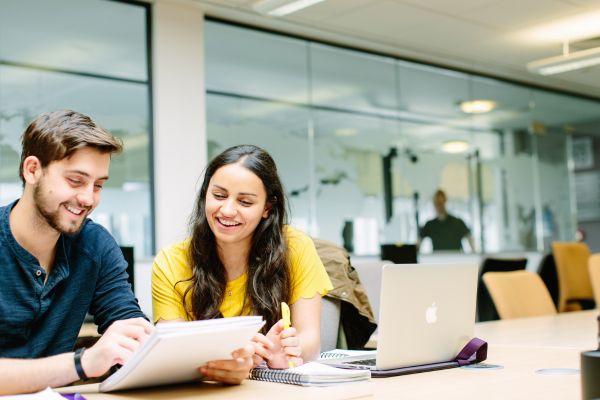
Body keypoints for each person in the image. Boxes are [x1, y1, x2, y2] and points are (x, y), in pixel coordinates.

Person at [0, 111, 253, 395]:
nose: (88, 199)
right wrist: (81, 364)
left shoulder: (94, 245)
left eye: (98, 185)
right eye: (75, 181)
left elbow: (133, 332)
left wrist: (215, 363)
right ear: (32, 170)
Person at [152, 144, 333, 369]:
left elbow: (310, 342)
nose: (227, 210)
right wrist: (230, 358)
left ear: (267, 207)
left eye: (245, 202)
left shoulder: (295, 246)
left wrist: (284, 352)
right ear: (204, 195)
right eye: (218, 195)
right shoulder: (170, 262)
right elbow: (172, 355)